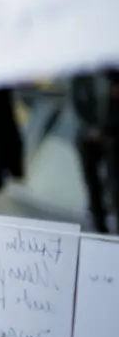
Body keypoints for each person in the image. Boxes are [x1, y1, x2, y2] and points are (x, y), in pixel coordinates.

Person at [70, 69, 119, 233]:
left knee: (115, 182)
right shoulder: (81, 76)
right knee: (92, 183)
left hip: (113, 136)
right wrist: (92, 129)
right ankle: (99, 223)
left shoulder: (112, 74)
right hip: (88, 136)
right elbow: (76, 103)